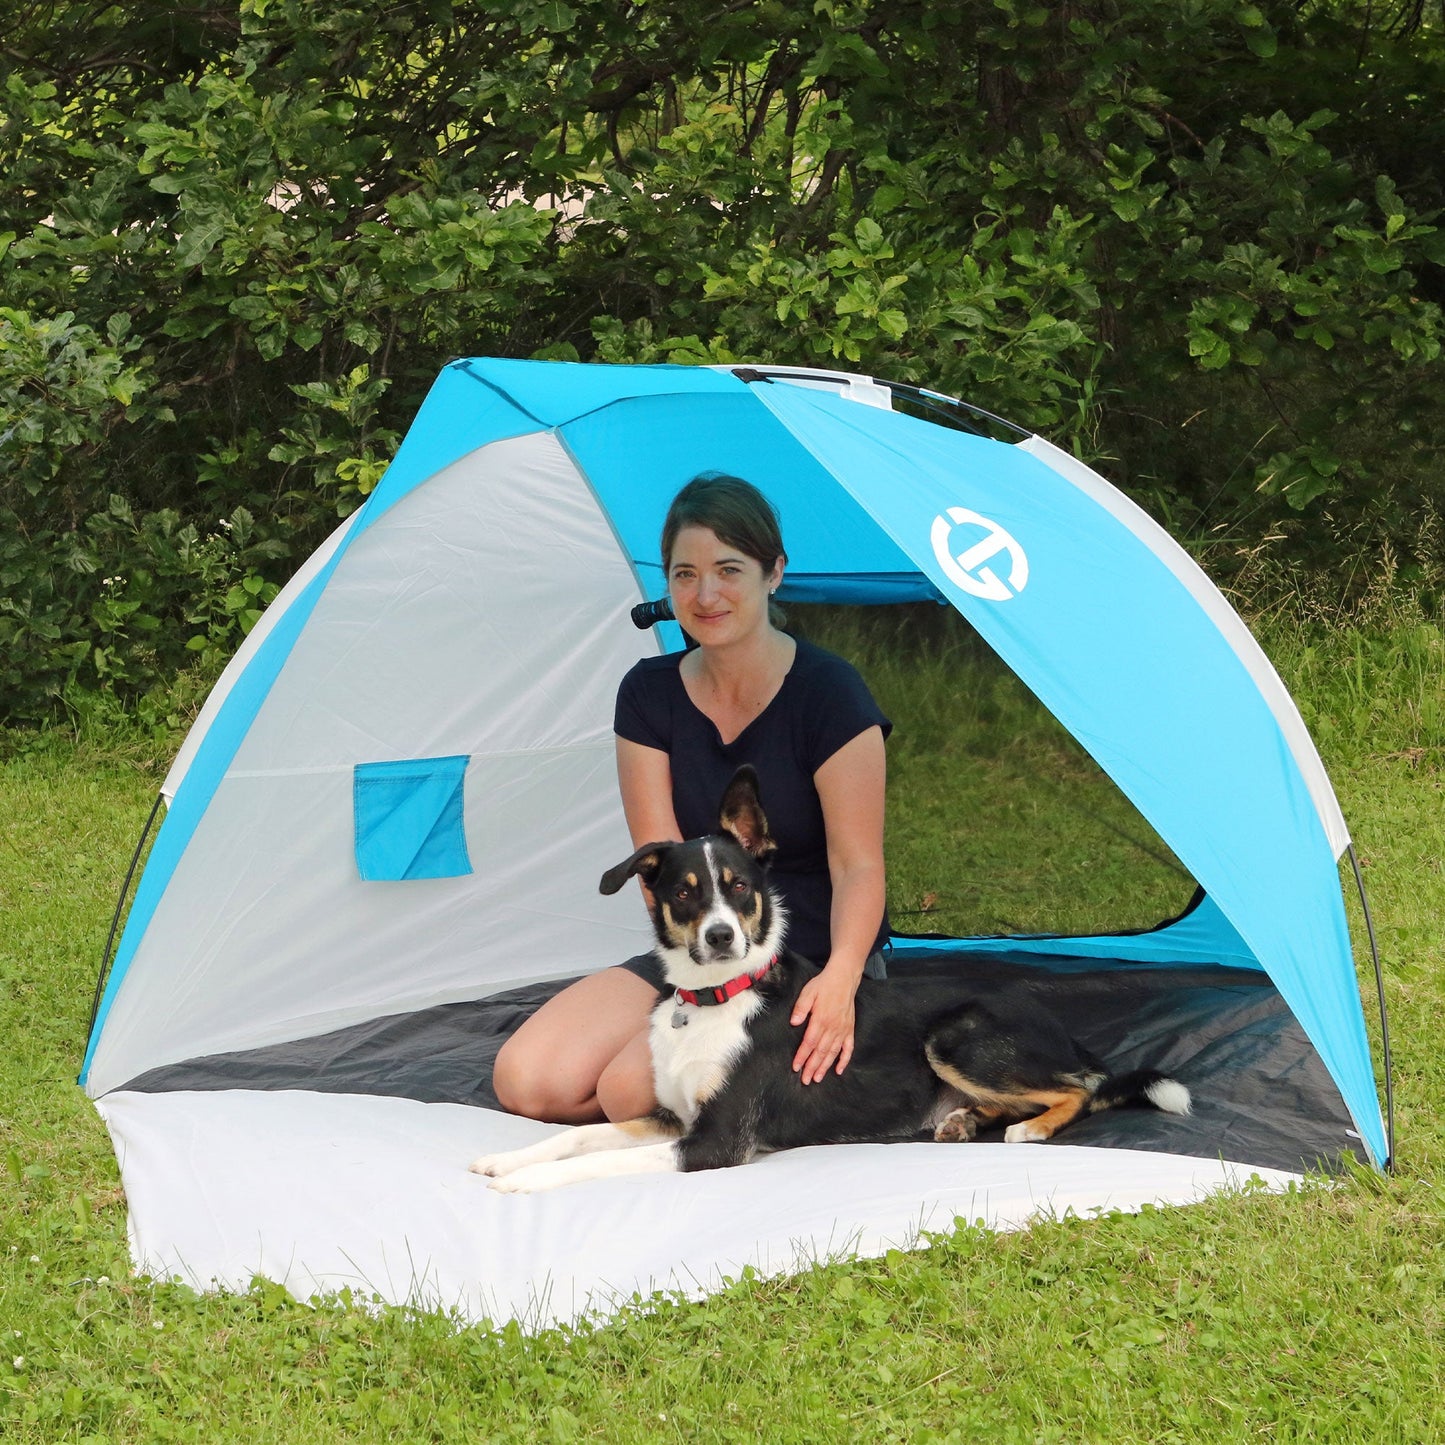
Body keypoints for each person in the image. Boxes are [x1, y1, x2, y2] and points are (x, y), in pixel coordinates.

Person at [491, 473, 891, 1124]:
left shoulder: (831, 694)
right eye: (685, 574)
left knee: (625, 1091)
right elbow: (660, 861)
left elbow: (859, 866)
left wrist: (842, 978)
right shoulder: (647, 694)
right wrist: (693, 982)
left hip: (808, 955)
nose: (705, 595)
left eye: (728, 570)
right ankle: (693, 1093)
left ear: (774, 573)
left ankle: (702, 1100)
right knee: (527, 1080)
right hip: (697, 946)